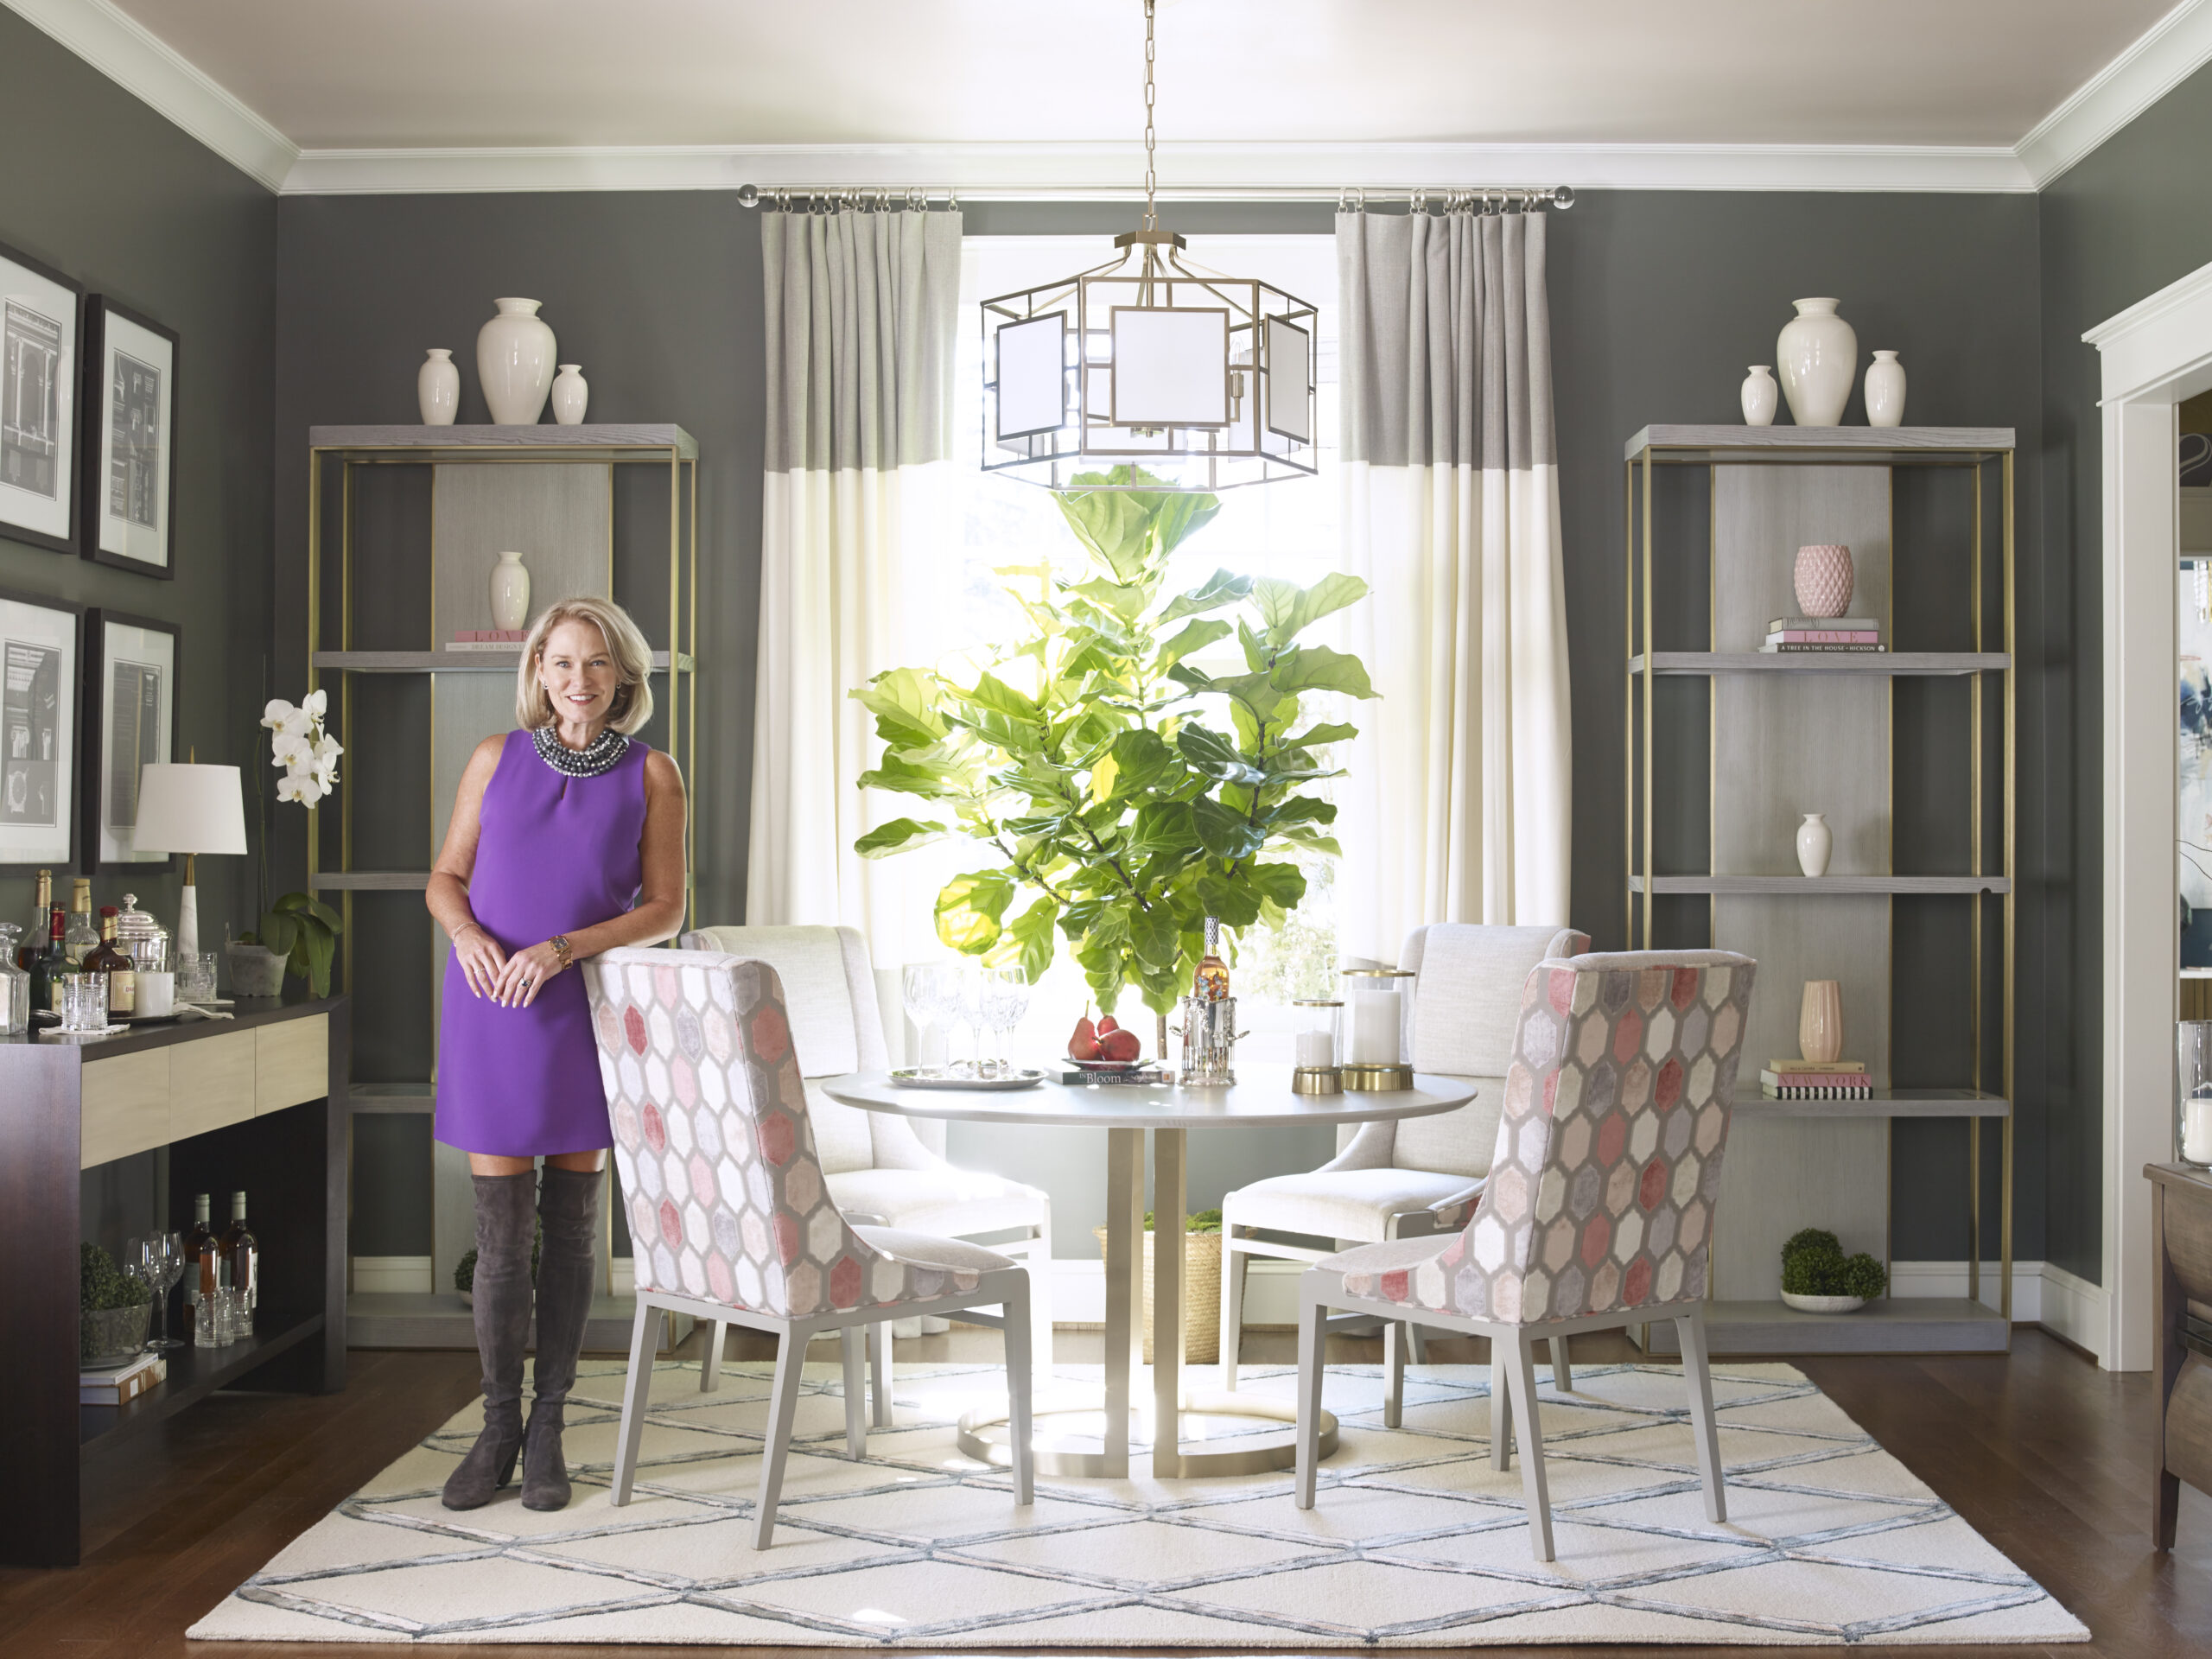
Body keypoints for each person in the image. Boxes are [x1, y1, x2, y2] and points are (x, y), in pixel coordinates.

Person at [427, 595, 687, 1511]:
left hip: (580, 1008)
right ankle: (497, 1425)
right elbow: (446, 876)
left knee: (572, 1229)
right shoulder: (494, 758)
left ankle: (549, 1427)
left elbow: (665, 908)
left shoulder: (655, 775)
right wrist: (466, 937)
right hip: (492, 1005)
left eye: (596, 665)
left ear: (623, 679)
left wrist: (566, 948)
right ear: (538, 670)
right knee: (500, 1238)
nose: (578, 680)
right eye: (562, 662)